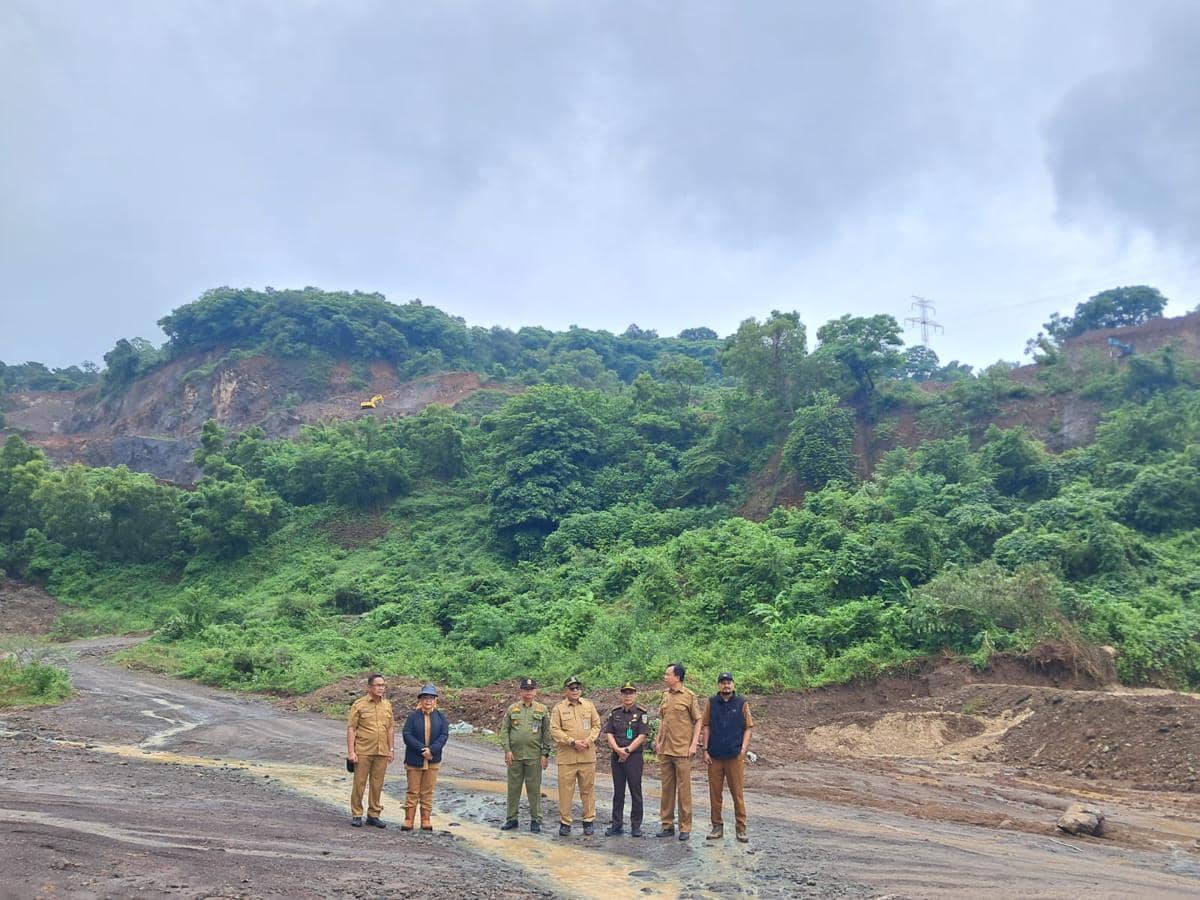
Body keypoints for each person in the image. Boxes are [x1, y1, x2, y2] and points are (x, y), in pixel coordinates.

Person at [701, 672, 754, 843]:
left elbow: (748, 727)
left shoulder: (741, 703)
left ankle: (741, 828)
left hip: (734, 756)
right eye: (723, 683)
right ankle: (717, 827)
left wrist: (743, 750)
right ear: (719, 685)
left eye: (729, 682)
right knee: (715, 794)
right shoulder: (711, 703)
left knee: (737, 793)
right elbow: (706, 726)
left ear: (734, 685)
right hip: (714, 756)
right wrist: (705, 750)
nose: (726, 686)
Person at [653, 662, 701, 841]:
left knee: (684, 790)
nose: (665, 677)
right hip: (665, 749)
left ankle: (685, 827)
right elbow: (663, 720)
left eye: (667, 674)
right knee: (667, 789)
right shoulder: (665, 695)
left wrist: (694, 743)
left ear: (677, 677)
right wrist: (658, 740)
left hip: (682, 750)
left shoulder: (689, 696)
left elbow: (698, 720)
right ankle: (667, 825)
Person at [549, 675, 600, 836]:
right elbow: (554, 730)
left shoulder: (589, 706)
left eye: (578, 688)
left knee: (588, 790)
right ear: (566, 690)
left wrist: (588, 740)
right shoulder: (558, 708)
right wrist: (572, 742)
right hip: (567, 758)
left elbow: (596, 725)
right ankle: (565, 823)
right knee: (565, 792)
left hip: (587, 756)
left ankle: (588, 821)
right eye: (572, 688)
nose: (575, 691)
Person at [499, 677, 551, 833]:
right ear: (520, 691)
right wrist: (507, 750)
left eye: (531, 690)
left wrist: (545, 754)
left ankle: (536, 820)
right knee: (513, 788)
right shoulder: (512, 709)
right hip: (514, 756)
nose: (528, 693)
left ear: (535, 691)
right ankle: (511, 819)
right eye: (525, 690)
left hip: (534, 756)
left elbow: (546, 733)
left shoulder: (542, 710)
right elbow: (504, 730)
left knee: (534, 789)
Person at [346, 673, 395, 828]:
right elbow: (351, 729)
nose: (381, 688)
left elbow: (390, 728)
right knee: (359, 783)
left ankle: (374, 814)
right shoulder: (359, 705)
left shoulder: (387, 705)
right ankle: (357, 814)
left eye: (383, 685)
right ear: (369, 687)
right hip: (363, 750)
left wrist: (391, 749)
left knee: (377, 784)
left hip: (382, 751)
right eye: (378, 685)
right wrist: (351, 752)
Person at [401, 683, 449, 832]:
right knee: (413, 791)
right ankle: (409, 819)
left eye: (431, 698)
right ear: (420, 700)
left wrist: (432, 750)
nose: (428, 701)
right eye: (425, 698)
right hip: (414, 758)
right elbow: (407, 735)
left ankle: (425, 819)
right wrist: (422, 749)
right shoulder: (413, 716)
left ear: (435, 700)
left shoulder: (441, 717)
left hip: (433, 759)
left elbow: (444, 736)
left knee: (427, 791)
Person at [603, 681, 648, 837]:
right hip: (617, 756)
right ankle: (617, 824)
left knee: (635, 791)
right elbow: (609, 733)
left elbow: (642, 736)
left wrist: (627, 750)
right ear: (621, 695)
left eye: (630, 693)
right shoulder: (615, 713)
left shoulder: (642, 714)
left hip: (633, 757)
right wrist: (618, 750)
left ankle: (636, 825)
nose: (628, 696)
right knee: (618, 791)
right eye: (625, 693)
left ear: (635, 695)